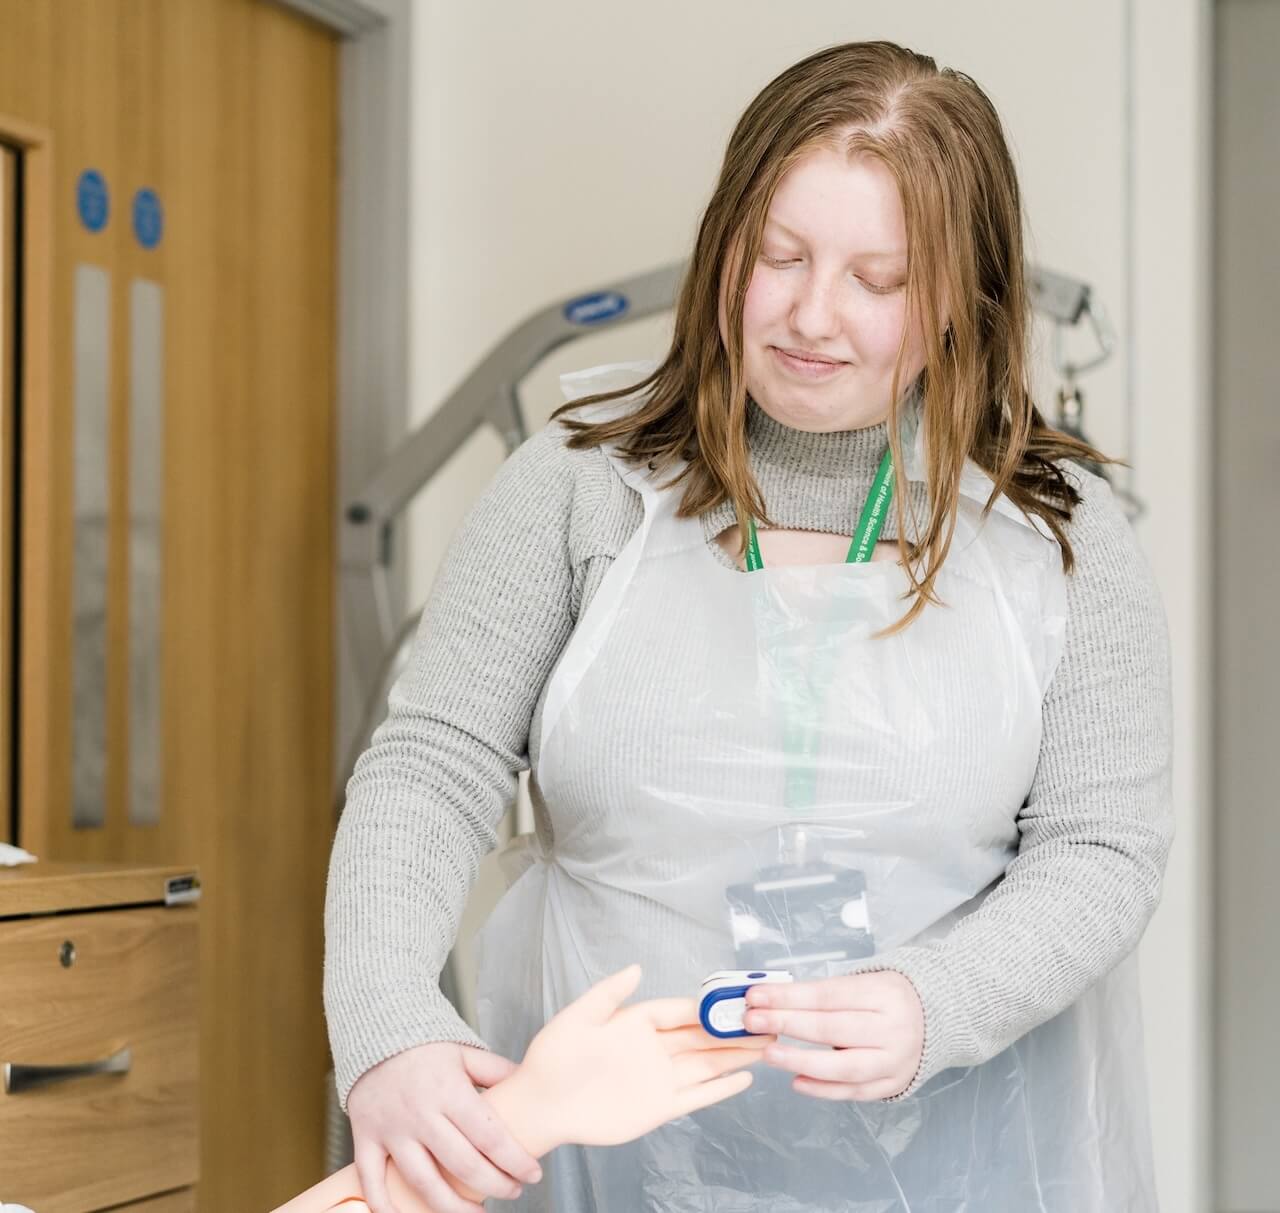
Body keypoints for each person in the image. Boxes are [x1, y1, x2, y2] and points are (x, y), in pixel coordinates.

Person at [325, 39, 1173, 1213]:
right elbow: (432, 764)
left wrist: (937, 1003)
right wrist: (387, 1025)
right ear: (724, 240)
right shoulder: (575, 487)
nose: (808, 315)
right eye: (776, 255)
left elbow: (1099, 850)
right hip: (605, 1168)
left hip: (952, 1163)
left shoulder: (1054, 534)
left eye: (876, 280)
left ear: (959, 304)